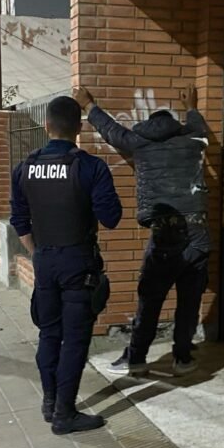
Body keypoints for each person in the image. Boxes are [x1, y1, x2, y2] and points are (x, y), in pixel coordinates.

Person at [76, 83, 209, 377]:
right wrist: (191, 106)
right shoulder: (192, 139)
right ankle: (183, 358)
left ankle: (136, 359)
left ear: (148, 125)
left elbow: (111, 132)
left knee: (149, 301)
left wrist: (89, 106)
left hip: (165, 234)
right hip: (198, 233)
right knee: (189, 303)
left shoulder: (140, 141)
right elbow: (201, 130)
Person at [11, 94, 122, 435]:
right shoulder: (90, 167)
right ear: (79, 129)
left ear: (46, 127)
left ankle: (49, 403)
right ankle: (64, 414)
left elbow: (20, 220)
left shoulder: (25, 167)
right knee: (74, 339)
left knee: (49, 333)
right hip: (78, 263)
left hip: (44, 260)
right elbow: (112, 218)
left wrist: (36, 253)